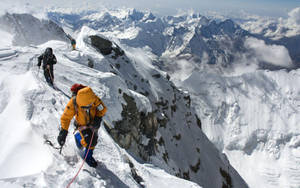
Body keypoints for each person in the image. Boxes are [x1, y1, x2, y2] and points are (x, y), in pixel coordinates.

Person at [57, 84, 107, 167]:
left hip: (93, 123)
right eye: (85, 107)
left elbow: (103, 109)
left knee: (93, 139)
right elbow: (65, 118)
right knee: (91, 141)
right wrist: (63, 131)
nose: (88, 108)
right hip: (82, 125)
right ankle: (87, 157)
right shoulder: (74, 102)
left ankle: (79, 139)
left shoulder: (94, 98)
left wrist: (98, 118)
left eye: (89, 106)